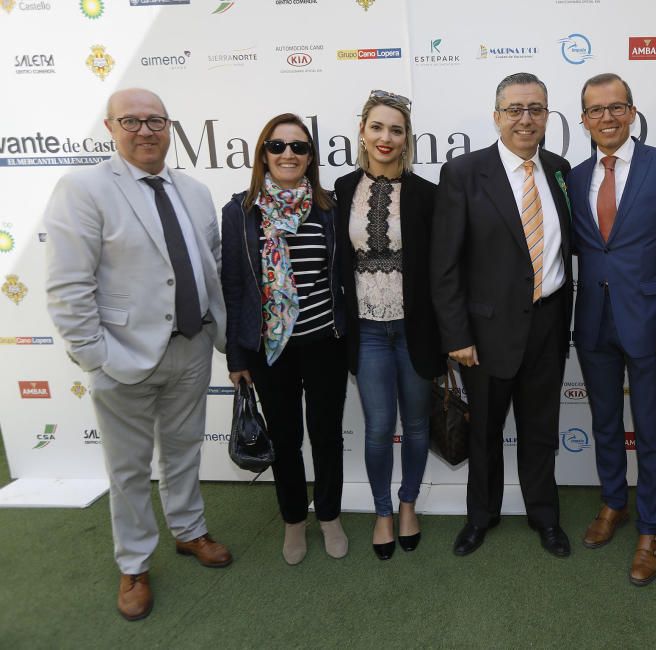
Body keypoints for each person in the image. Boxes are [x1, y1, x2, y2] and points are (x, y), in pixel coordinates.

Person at [44, 88, 231, 621]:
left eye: (157, 121)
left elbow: (210, 266)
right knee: (127, 470)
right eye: (133, 120)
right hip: (121, 357)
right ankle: (134, 563)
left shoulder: (194, 191)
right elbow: (67, 283)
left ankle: (189, 531)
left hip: (191, 348)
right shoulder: (83, 189)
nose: (146, 130)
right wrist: (93, 354)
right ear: (110, 127)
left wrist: (217, 333)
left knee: (184, 451)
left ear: (171, 128)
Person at [431, 72, 574, 558]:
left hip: (549, 325)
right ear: (496, 117)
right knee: (485, 432)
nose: (525, 119)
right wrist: (456, 334)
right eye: (514, 109)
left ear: (548, 116)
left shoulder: (560, 170)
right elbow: (444, 264)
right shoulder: (464, 174)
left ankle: (545, 518)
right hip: (485, 335)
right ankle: (480, 517)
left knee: (541, 432)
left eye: (535, 108)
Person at [568, 73, 656, 585]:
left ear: (633, 111)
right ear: (583, 120)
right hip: (593, 323)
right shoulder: (572, 178)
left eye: (616, 107)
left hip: (647, 323)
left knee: (653, 429)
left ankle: (651, 528)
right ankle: (613, 503)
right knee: (603, 423)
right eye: (595, 110)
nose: (607, 118)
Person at [220, 113, 349, 566]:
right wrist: (236, 354)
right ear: (263, 154)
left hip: (325, 343)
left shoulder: (329, 206)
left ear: (311, 157)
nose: (288, 154)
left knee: (327, 435)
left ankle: (329, 514)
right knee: (287, 438)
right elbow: (234, 285)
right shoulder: (240, 211)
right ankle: (294, 519)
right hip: (270, 350)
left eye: (298, 147)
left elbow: (341, 277)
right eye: (277, 146)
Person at [334, 90, 444, 560]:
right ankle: (381, 511)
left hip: (415, 331)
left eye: (395, 130)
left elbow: (441, 270)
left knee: (417, 426)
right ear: (362, 131)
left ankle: (407, 504)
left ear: (407, 140)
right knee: (379, 426)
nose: (386, 137)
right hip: (368, 331)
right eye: (377, 127)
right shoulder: (339, 191)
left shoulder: (428, 195)